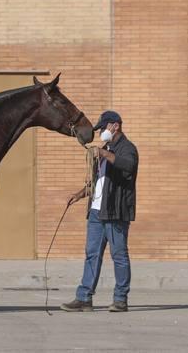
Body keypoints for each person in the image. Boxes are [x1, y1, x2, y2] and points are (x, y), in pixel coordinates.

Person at [60, 109, 137, 313]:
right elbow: (97, 182)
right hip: (96, 212)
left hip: (115, 212)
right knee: (92, 254)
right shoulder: (106, 148)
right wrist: (78, 195)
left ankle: (120, 300)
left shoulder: (127, 148)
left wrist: (103, 153)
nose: (102, 131)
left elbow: (128, 166)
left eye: (103, 127)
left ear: (115, 126)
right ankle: (84, 297)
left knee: (119, 255)